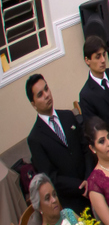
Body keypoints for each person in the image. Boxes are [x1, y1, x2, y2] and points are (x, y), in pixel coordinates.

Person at [26, 74, 91, 215]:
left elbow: (85, 147)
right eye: (40, 94)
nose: (47, 95)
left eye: (46, 89)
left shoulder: (68, 116)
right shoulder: (35, 138)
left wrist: (89, 178)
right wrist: (80, 186)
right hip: (71, 201)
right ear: (33, 104)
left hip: (92, 184)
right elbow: (50, 177)